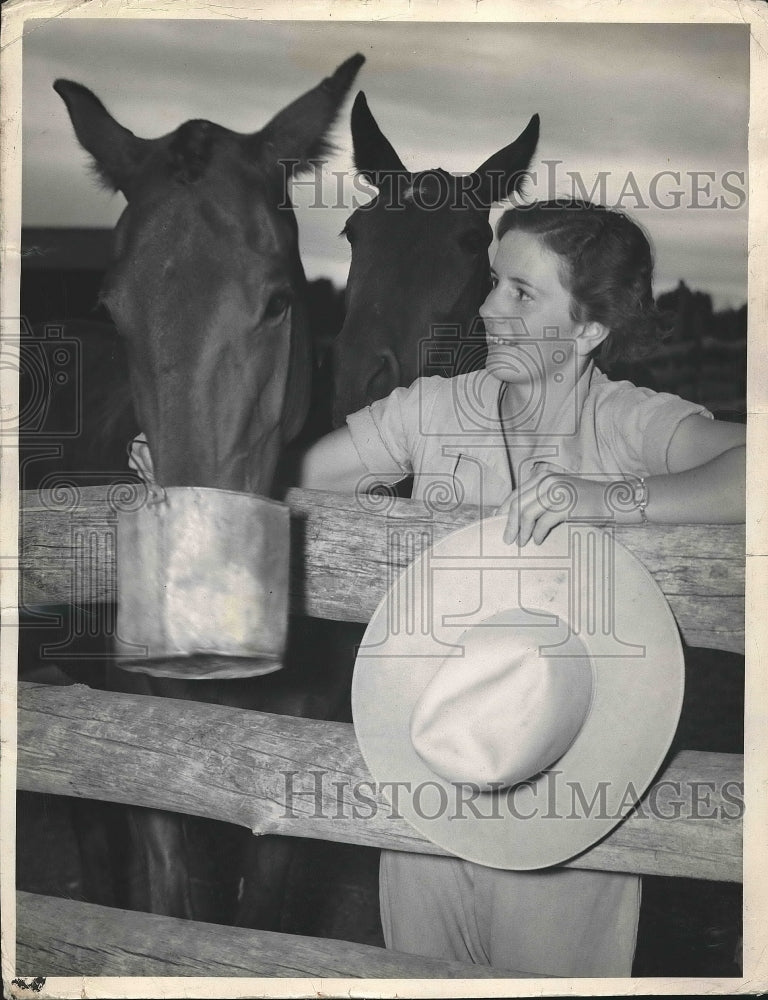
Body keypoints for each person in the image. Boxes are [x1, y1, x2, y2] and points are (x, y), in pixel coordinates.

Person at [129, 199, 745, 976]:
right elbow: (296, 481)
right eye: (493, 282)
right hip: (432, 761)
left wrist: (605, 499)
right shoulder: (436, 410)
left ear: (587, 332)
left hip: (574, 794)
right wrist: (196, 466)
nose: (488, 306)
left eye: (522, 294)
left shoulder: (627, 423)